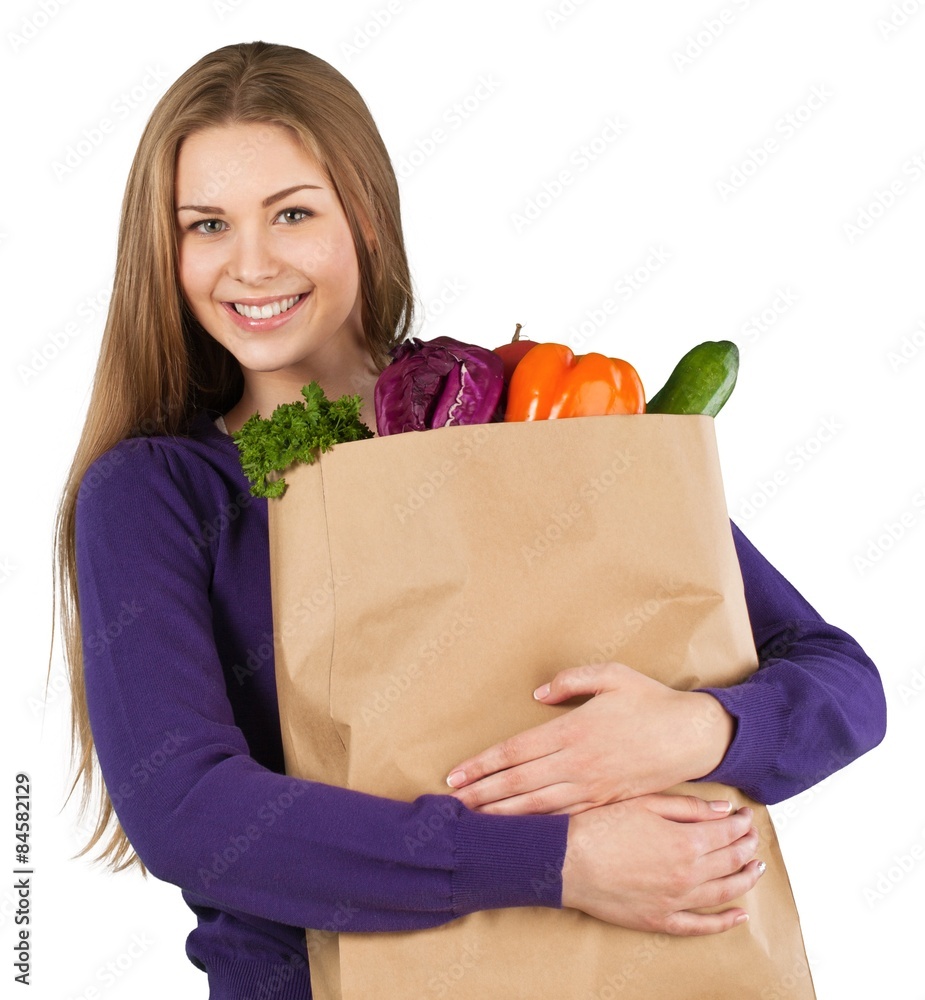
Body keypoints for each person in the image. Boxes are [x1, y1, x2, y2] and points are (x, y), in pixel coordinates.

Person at [55, 41, 886, 999]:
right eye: (206, 224)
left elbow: (842, 682)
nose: (250, 264)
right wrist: (557, 862)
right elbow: (188, 812)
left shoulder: (513, 420)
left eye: (291, 213)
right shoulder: (158, 492)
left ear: (363, 215)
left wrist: (692, 731)